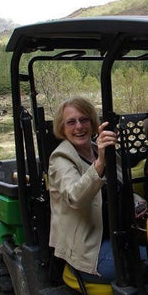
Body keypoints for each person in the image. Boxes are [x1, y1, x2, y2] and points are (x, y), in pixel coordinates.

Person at [48, 97, 120, 282]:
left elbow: (121, 183)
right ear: (62, 128)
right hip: (88, 249)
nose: (79, 127)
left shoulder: (99, 149)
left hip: (116, 235)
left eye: (84, 120)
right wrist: (100, 163)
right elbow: (75, 197)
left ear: (93, 123)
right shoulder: (60, 158)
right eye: (71, 122)